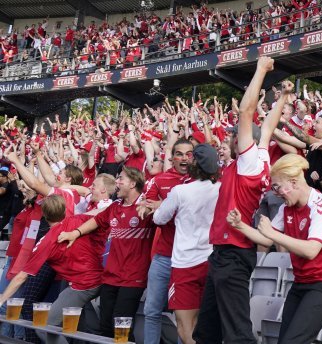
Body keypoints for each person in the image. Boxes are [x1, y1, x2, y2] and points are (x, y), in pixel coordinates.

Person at [193, 56, 288, 344]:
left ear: (241, 142)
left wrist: (260, 70)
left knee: (237, 333)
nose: (228, 141)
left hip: (233, 253)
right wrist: (283, 98)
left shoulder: (247, 162)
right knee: (206, 330)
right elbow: (267, 127)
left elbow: (246, 112)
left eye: (232, 138)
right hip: (225, 252)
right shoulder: (259, 155)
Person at [226, 154, 322, 344]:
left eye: (277, 187)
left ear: (294, 182)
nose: (276, 193)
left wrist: (273, 235)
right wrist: (240, 225)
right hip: (302, 282)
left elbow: (311, 250)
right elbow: (265, 239)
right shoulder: (286, 208)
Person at [58, 167, 155, 340]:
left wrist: (154, 206)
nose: (116, 183)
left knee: (121, 329)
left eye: (121, 179)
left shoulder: (146, 205)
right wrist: (75, 233)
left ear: (133, 184)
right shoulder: (114, 207)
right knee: (105, 328)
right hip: (110, 276)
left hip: (133, 278)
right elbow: (95, 221)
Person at [0, 195, 103, 344]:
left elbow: (22, 276)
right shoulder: (77, 220)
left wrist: (2, 299)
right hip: (99, 279)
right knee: (84, 330)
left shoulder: (47, 241)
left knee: (44, 326)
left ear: (44, 214)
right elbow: (102, 211)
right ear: (64, 210)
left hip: (84, 285)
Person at [152, 144, 221, 344]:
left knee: (185, 328)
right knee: (202, 325)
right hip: (210, 261)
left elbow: (159, 218)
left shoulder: (180, 191)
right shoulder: (220, 189)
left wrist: (159, 205)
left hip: (185, 265)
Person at [140, 138, 193, 344]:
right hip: (163, 256)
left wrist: (164, 205)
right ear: (172, 157)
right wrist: (147, 208)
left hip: (189, 258)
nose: (184, 158)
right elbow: (145, 207)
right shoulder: (159, 180)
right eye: (179, 154)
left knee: (185, 315)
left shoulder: (201, 182)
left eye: (189, 154)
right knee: (151, 310)